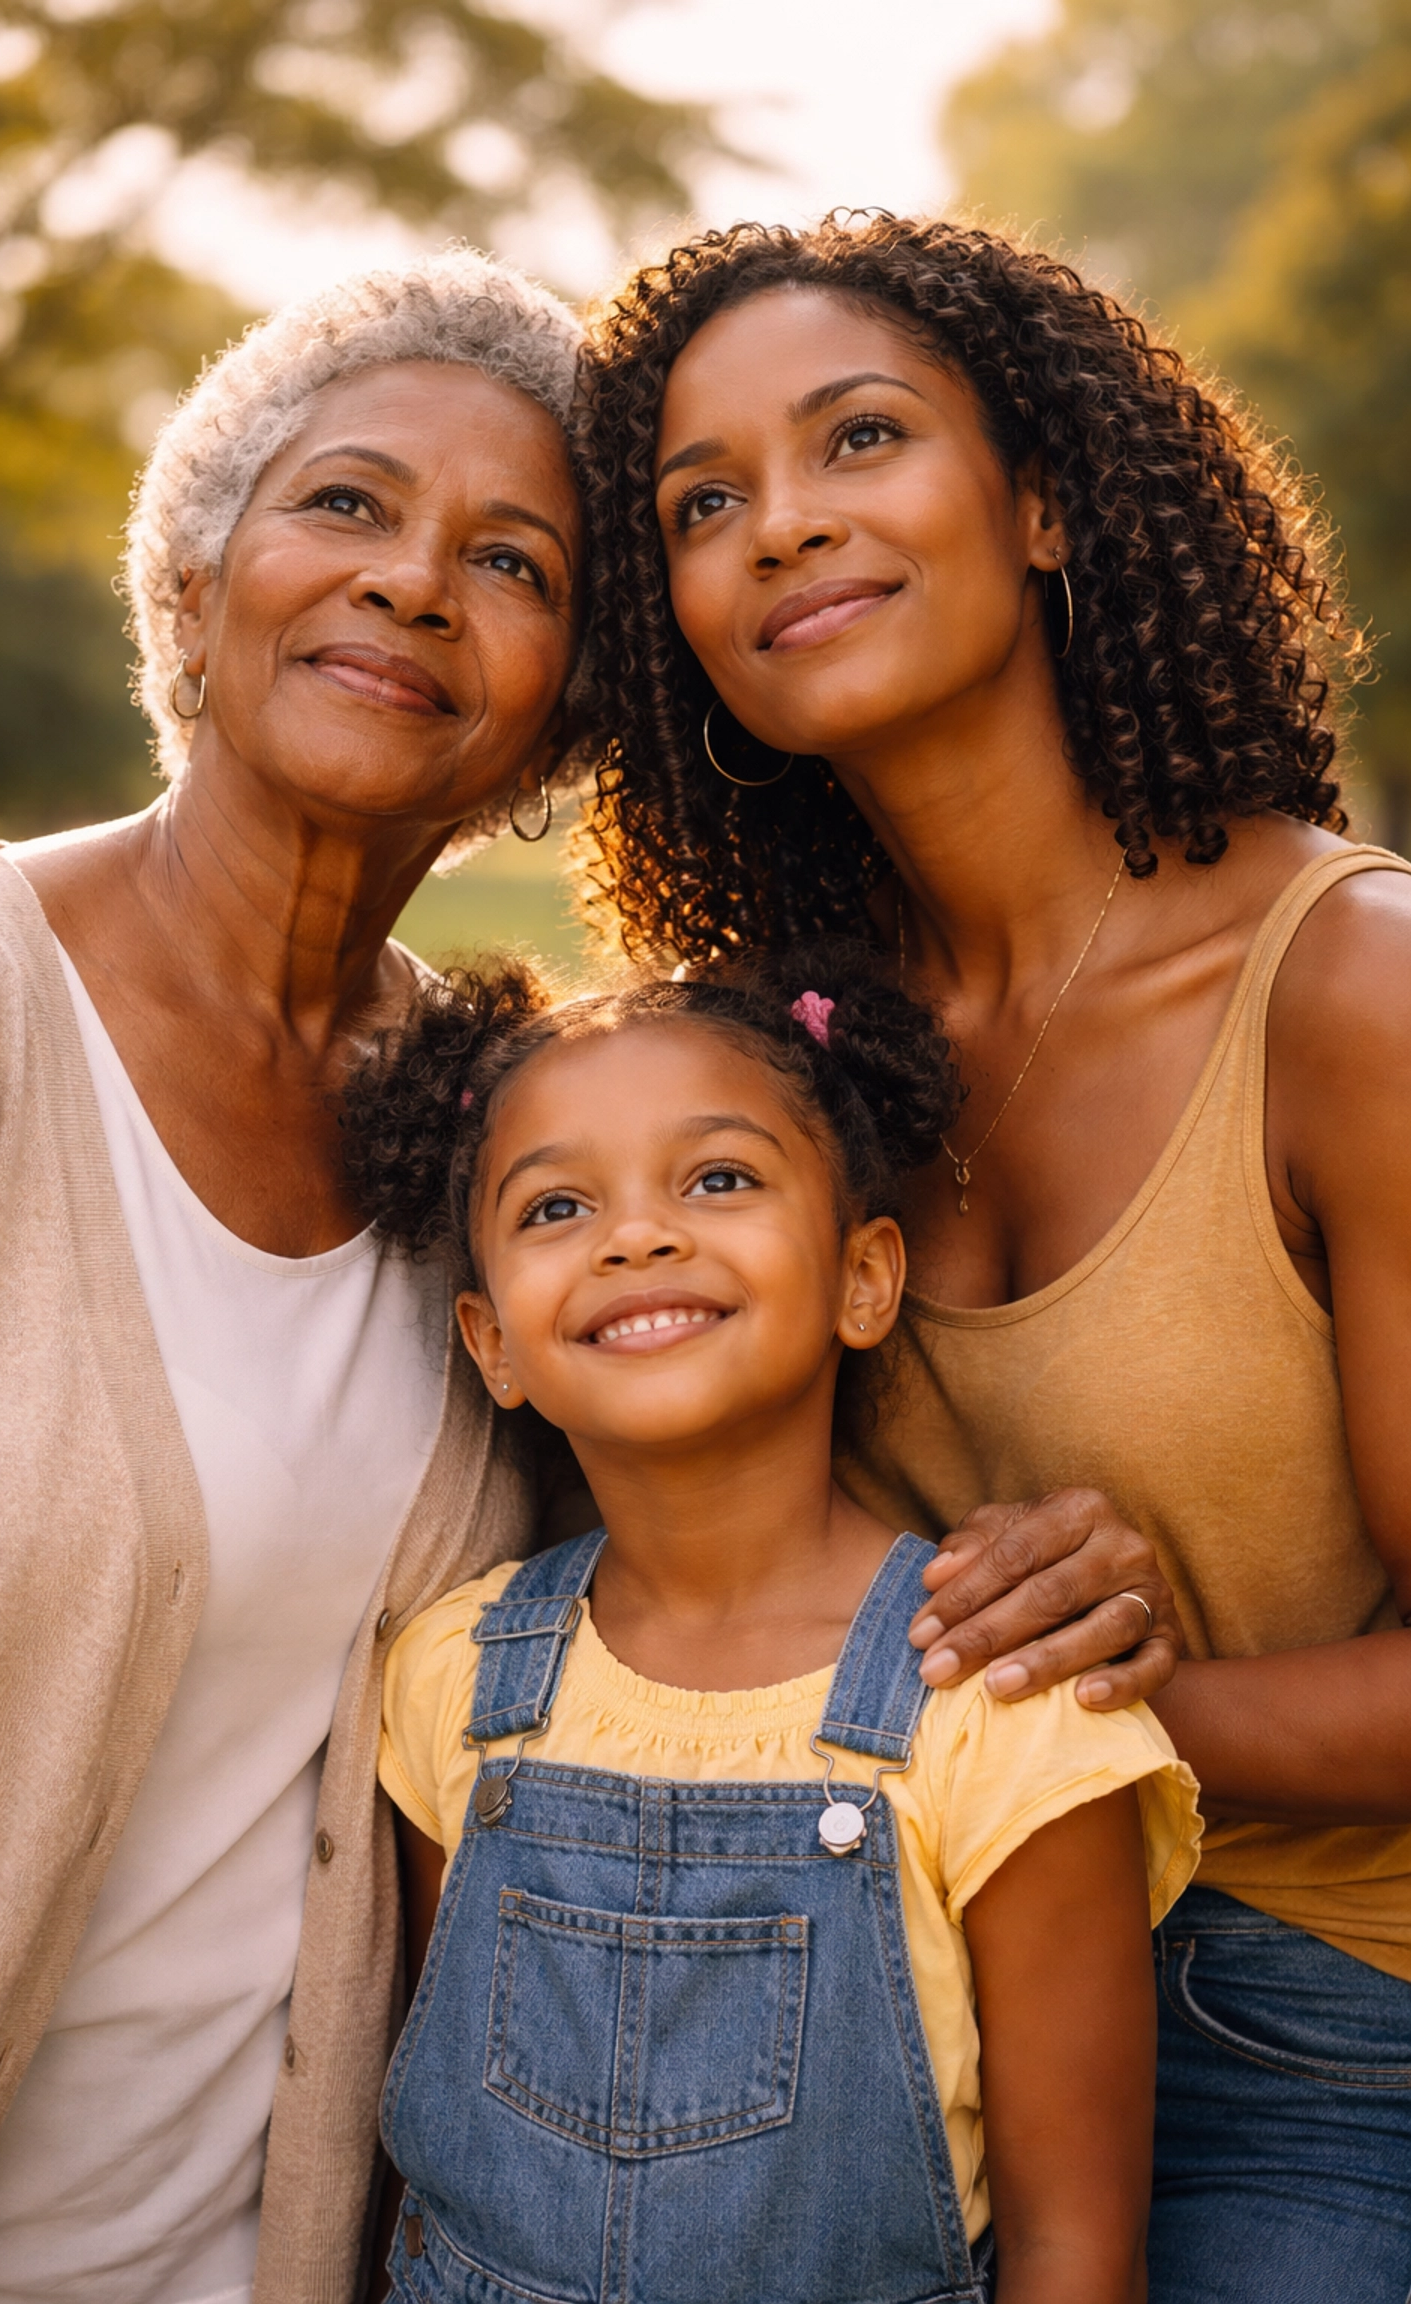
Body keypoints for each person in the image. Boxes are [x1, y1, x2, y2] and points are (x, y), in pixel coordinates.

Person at [573, 210, 1411, 2299]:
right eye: (702, 504)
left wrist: (1088, 1709)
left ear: (1043, 502)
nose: (781, 524)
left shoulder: (1352, 996)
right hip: (867, 1973)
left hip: (1302, 2028)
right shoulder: (775, 1056)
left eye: (859, 438)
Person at [0, 253, 588, 2304]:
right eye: (347, 504)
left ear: (564, 718)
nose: (415, 583)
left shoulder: (509, 1139)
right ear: (192, 588)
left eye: (511, 562)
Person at [344, 942, 1199, 2304]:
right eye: (557, 1206)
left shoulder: (1002, 1710)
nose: (637, 1237)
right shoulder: (453, 1673)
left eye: (719, 1180)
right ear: (490, 1342)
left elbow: (1076, 2252)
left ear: (866, 1278)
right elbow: (429, 2161)